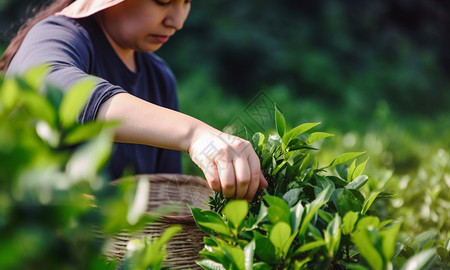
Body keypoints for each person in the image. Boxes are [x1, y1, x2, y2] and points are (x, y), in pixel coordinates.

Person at [0, 0, 268, 201]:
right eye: (163, 1)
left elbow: (165, 198)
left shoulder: (159, 76)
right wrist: (195, 134)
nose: (177, 21)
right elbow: (50, 84)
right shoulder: (60, 34)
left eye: (186, 2)